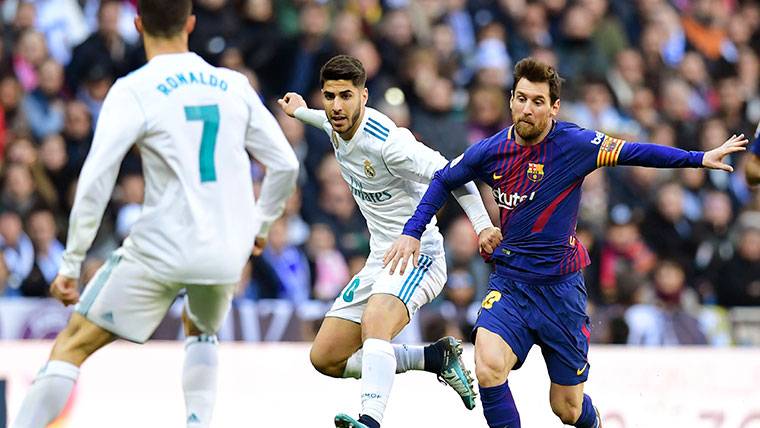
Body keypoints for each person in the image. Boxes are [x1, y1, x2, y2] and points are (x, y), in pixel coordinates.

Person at [384, 57, 747, 428]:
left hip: (561, 293)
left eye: (537, 101)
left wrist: (699, 157)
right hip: (512, 284)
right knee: (488, 366)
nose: (527, 109)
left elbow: (633, 152)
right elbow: (444, 178)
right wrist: (413, 230)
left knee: (567, 408)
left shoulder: (576, 144)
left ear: (553, 108)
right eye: (521, 98)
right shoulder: (490, 150)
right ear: (511, 99)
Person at [11, 1, 299, 427]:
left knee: (71, 346)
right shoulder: (232, 85)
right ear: (192, 23)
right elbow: (286, 164)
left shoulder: (135, 89)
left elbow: (96, 179)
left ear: (138, 24)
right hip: (224, 250)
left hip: (163, 246)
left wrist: (71, 263)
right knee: (201, 328)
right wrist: (259, 227)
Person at [278, 55, 500, 428]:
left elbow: (454, 173)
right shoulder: (335, 124)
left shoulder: (389, 143)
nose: (336, 106)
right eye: (329, 96)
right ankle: (433, 359)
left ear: (364, 96)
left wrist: (481, 226)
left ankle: (371, 420)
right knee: (326, 357)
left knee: (375, 320)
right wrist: (301, 112)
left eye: (346, 96)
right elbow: (324, 122)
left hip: (419, 254)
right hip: (381, 258)